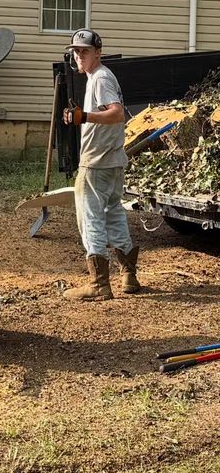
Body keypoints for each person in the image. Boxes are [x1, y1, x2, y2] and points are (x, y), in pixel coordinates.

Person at [62, 28, 139, 300]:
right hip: (113, 161)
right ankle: (128, 274)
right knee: (113, 212)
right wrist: (83, 117)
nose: (79, 55)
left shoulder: (100, 79)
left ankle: (98, 283)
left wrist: (83, 118)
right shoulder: (99, 77)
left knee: (90, 217)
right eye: (76, 51)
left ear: (98, 53)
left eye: (85, 51)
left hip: (96, 162)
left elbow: (116, 114)